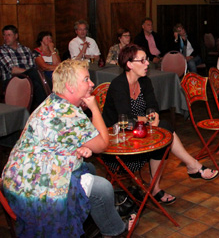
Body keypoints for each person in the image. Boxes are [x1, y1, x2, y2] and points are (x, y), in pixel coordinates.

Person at [2, 59, 134, 237]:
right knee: (102, 188)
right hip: (38, 194)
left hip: (14, 183)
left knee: (90, 168)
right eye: (86, 79)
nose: (92, 83)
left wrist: (77, 149)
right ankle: (115, 230)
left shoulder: (50, 102)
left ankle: (97, 216)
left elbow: (58, 139)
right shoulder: (70, 113)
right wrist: (95, 109)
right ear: (70, 87)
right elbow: (102, 145)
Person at [103, 44, 218, 204]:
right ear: (129, 64)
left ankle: (159, 185)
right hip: (120, 147)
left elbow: (153, 105)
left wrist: (153, 115)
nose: (147, 63)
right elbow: (126, 119)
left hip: (139, 136)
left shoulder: (145, 82)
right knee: (163, 132)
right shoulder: (118, 85)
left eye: (146, 60)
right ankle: (190, 167)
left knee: (163, 129)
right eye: (142, 60)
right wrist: (148, 119)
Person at [0, 25, 46, 108]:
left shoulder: (26, 49)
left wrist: (30, 73)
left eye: (9, 35)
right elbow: (12, 70)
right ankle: (48, 104)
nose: (6, 37)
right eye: (4, 35)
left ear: (16, 36)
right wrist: (30, 72)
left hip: (28, 78)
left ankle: (44, 109)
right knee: (36, 75)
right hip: (11, 80)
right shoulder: (2, 50)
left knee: (37, 84)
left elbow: (33, 65)